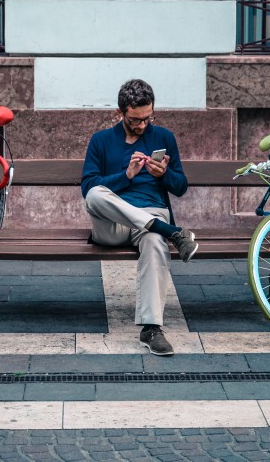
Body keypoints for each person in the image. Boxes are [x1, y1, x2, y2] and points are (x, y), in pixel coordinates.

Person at [81, 79, 198, 356]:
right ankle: (171, 230)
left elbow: (180, 186)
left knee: (156, 241)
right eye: (135, 120)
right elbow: (88, 186)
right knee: (96, 194)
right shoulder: (101, 141)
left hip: (150, 214)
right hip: (112, 224)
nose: (143, 125)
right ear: (120, 113)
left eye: (148, 118)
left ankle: (151, 328)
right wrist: (126, 176)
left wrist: (163, 175)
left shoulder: (164, 138)